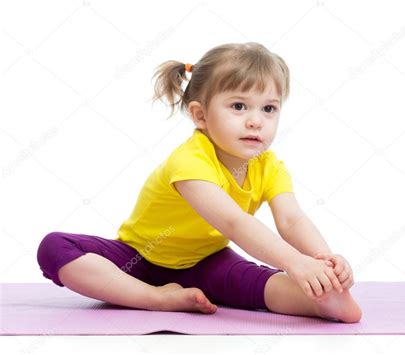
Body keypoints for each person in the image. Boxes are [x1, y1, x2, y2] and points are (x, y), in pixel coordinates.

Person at [37, 42, 362, 323]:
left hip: (208, 265)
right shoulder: (190, 161)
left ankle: (320, 300)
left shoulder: (269, 165)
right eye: (238, 106)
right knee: (54, 248)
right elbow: (234, 222)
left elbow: (292, 219)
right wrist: (295, 262)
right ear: (201, 115)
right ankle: (156, 298)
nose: (255, 120)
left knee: (320, 296)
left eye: (269, 108)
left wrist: (324, 262)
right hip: (138, 259)